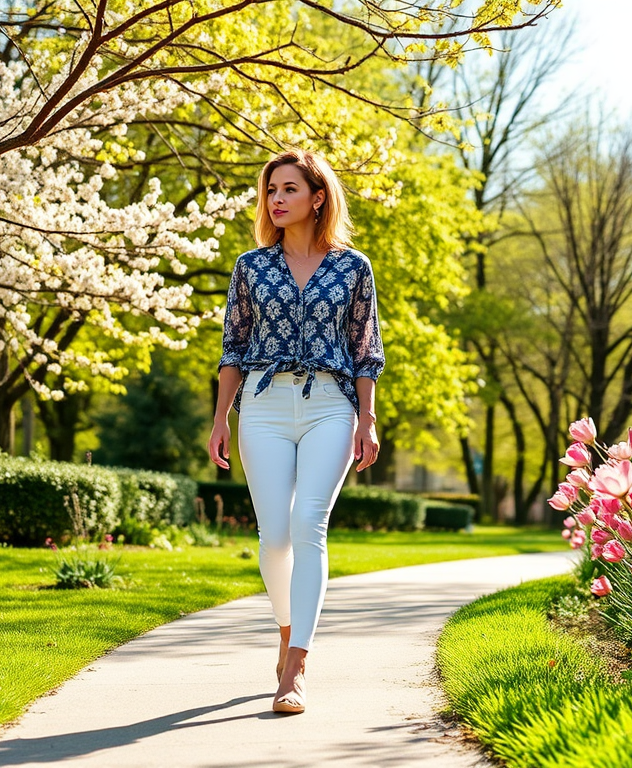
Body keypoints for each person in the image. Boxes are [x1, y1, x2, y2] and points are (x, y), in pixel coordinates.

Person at [207, 149, 385, 715]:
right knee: (274, 537)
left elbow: (366, 350)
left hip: (332, 404)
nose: (276, 199)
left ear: (318, 196)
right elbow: (233, 346)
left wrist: (368, 420)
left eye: (288, 189)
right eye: (270, 191)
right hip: (262, 402)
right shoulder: (250, 267)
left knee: (309, 525)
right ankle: (287, 629)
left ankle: (296, 665)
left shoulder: (354, 268)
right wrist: (220, 420)